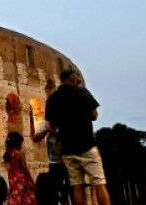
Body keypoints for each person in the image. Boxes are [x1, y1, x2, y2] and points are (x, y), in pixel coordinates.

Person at [44, 70, 110, 205]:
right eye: (78, 80)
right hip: (87, 144)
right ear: (73, 79)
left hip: (68, 148)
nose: (79, 82)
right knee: (99, 183)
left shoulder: (52, 98)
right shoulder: (82, 92)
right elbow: (94, 116)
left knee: (77, 186)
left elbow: (51, 125)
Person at [32, 119, 68, 205]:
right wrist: (46, 130)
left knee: (72, 189)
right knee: (54, 190)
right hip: (54, 163)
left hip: (70, 161)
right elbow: (35, 138)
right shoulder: (48, 122)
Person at [3, 132, 36, 205]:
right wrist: (32, 183)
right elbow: (25, 169)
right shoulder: (19, 153)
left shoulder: (7, 155)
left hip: (13, 186)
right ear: (17, 143)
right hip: (21, 183)